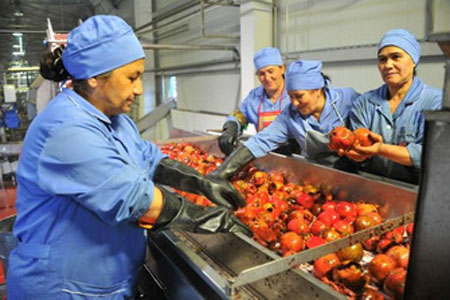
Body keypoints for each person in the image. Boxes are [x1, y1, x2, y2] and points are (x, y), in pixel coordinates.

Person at [7, 15, 250, 299]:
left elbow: (147, 157)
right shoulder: (65, 129)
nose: (138, 89)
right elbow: (134, 200)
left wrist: (200, 181)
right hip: (62, 288)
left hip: (107, 283)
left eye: (140, 77)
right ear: (95, 78)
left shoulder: (115, 119)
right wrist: (206, 217)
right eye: (131, 78)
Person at [211, 59, 360, 180]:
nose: (294, 103)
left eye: (299, 96)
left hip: (355, 173)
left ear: (317, 90)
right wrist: (221, 173)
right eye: (291, 97)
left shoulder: (348, 99)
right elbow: (260, 141)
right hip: (319, 174)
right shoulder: (289, 113)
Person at [342, 29, 442, 184]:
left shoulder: (436, 102)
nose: (388, 65)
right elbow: (357, 146)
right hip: (371, 185)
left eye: (396, 57)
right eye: (382, 60)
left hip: (416, 190)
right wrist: (356, 153)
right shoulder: (364, 103)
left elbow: (433, 155)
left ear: (414, 60)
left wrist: (380, 149)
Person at [219, 47, 291, 155]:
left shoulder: (295, 93)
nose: (267, 77)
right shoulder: (254, 97)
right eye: (262, 74)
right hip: (267, 156)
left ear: (282, 69)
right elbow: (239, 115)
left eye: (271, 71)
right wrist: (231, 127)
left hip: (295, 157)